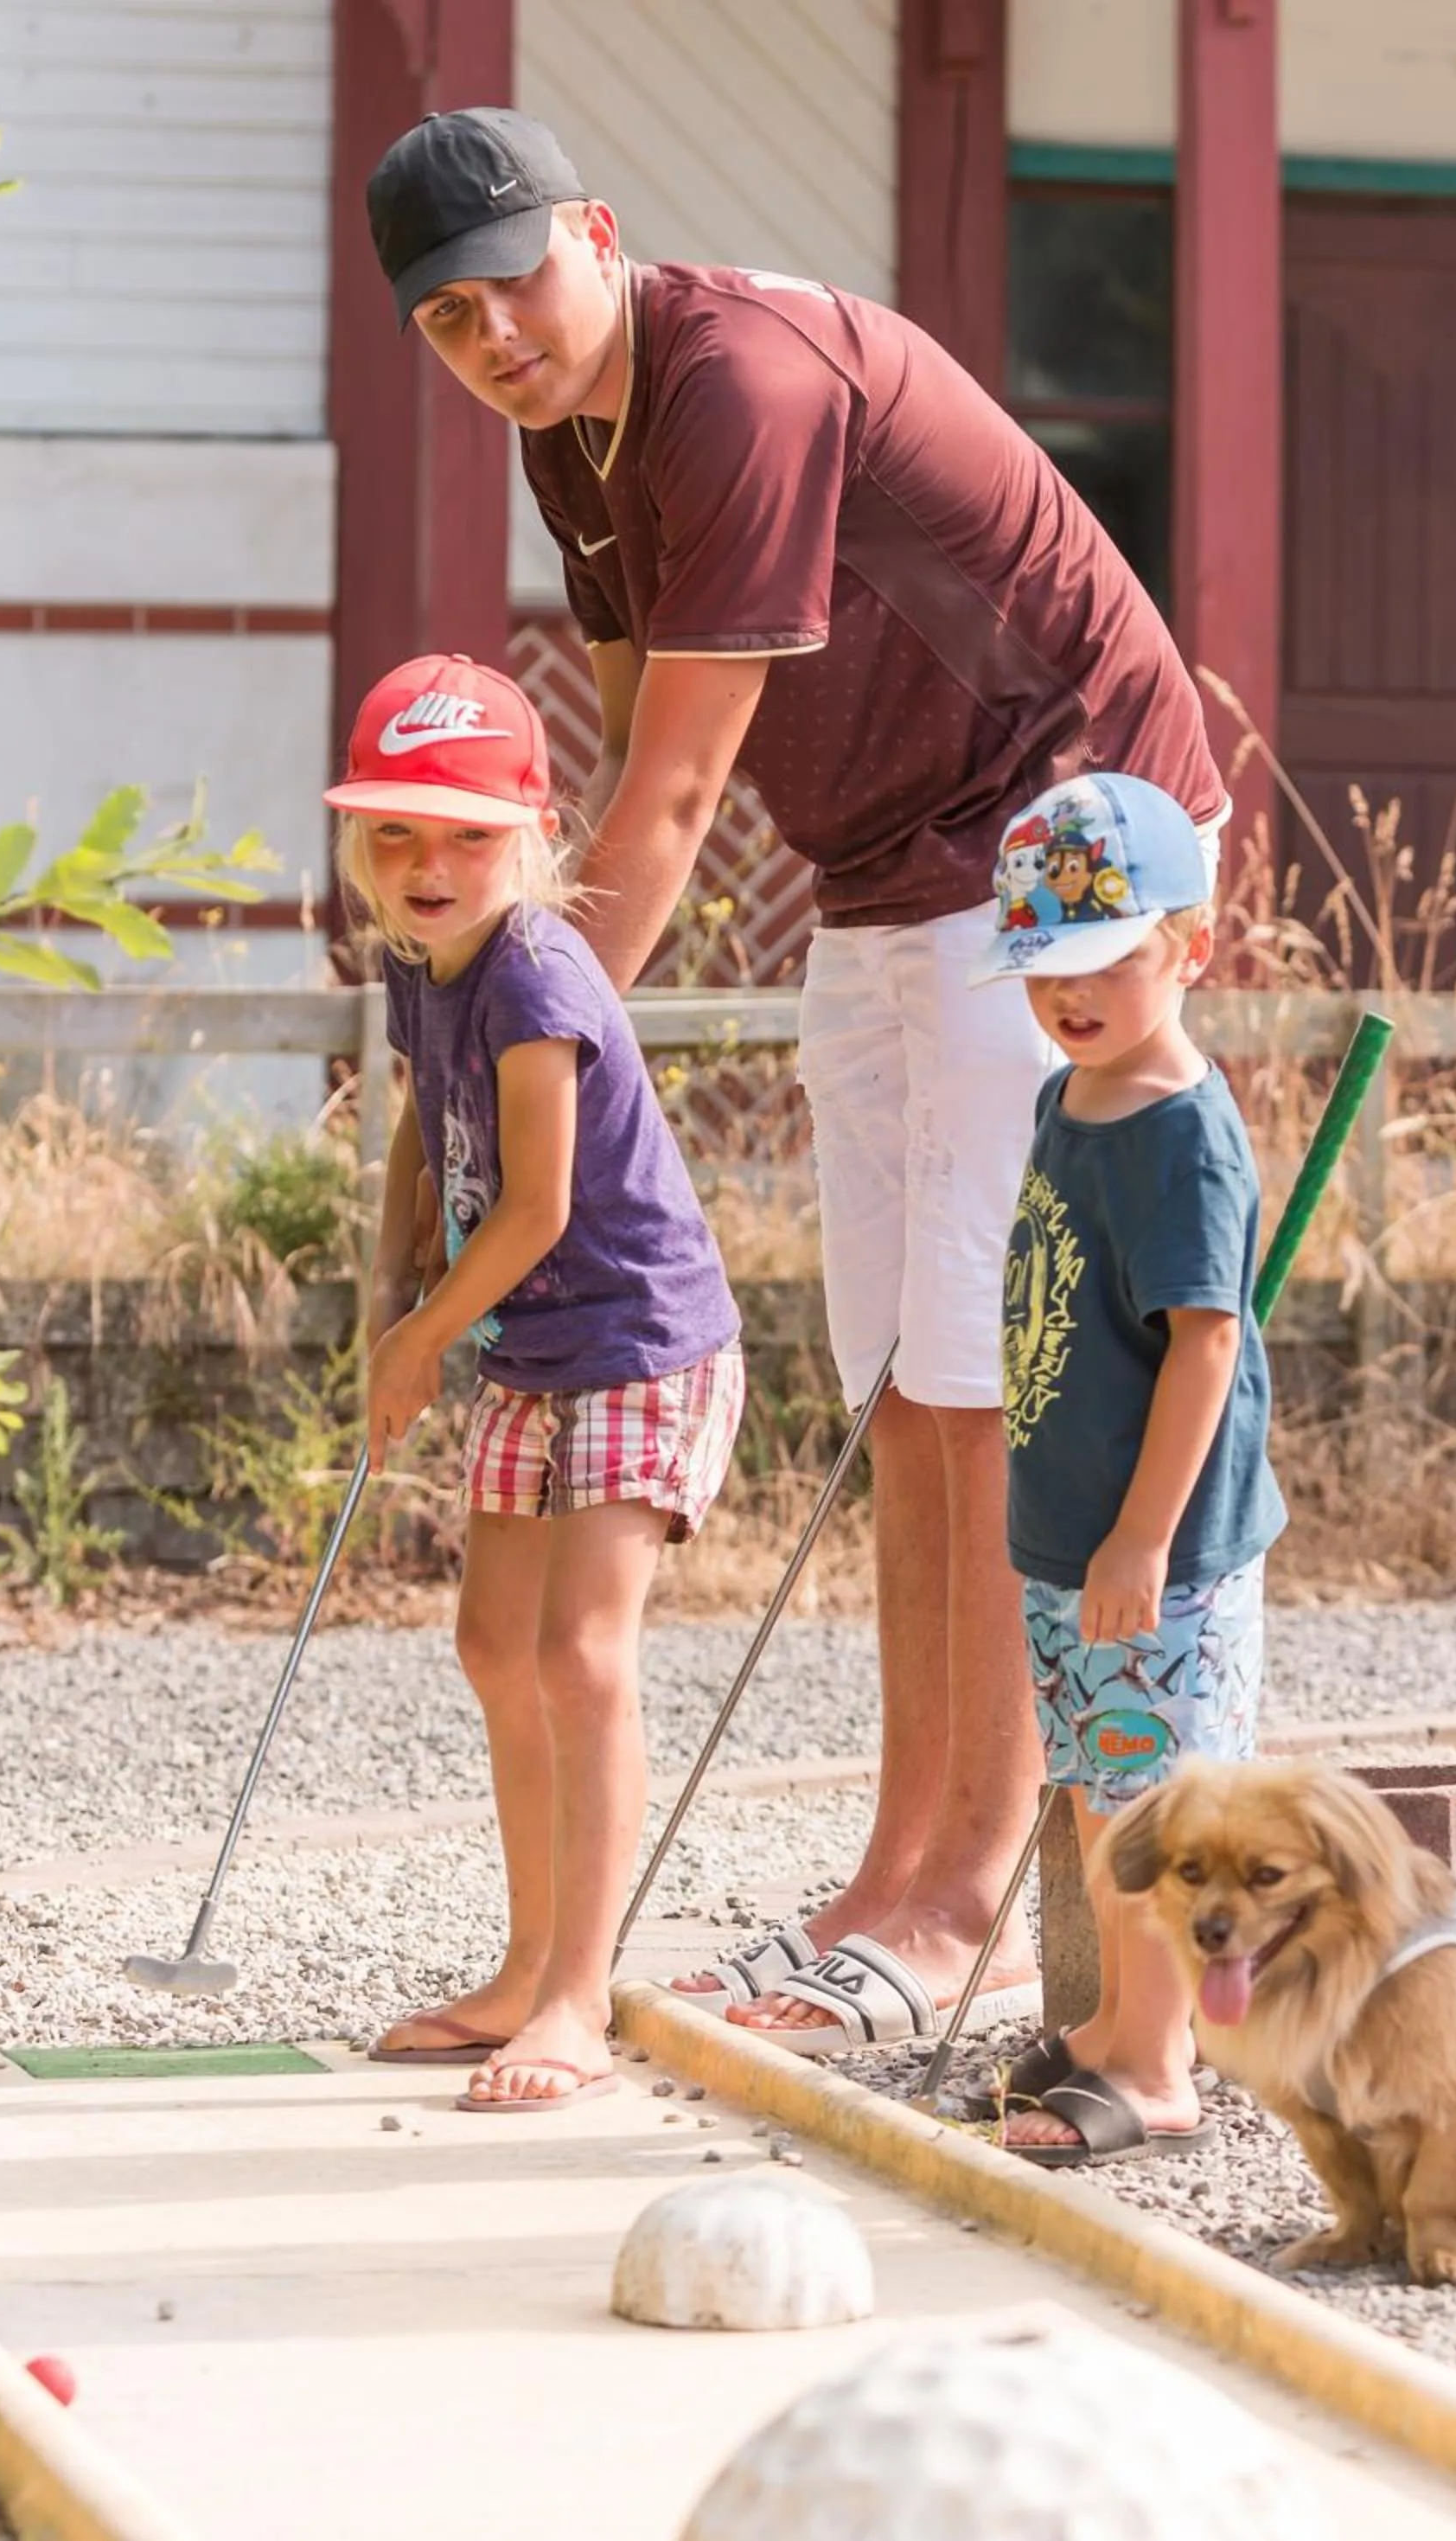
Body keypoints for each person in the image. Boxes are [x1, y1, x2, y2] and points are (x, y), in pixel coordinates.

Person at [362, 105, 1228, 2044]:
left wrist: (534, 1053)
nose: (494, 335)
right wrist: (514, 1005)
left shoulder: (733, 381)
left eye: (514, 285)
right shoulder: (562, 435)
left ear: (595, 231)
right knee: (898, 1376)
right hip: (888, 860)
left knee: (994, 1374)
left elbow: (672, 800)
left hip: (1064, 850)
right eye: (448, 323)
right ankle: (892, 1871)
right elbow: (609, 766)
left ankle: (972, 1903)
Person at [340, 653, 744, 2111]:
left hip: (636, 1338)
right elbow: (418, 1138)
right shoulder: (416, 963)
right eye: (395, 832)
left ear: (530, 835)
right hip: (528, 1345)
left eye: (462, 833)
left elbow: (537, 1210)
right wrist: (391, 1295)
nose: (428, 863)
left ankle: (580, 1994)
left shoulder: (533, 971)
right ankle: (522, 1966)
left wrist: (424, 1336)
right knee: (494, 1650)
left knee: (581, 1656)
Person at [969, 771, 1285, 2159]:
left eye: (1107, 958)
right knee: (1100, 1782)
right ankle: (1110, 2026)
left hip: (1153, 1555)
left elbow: (1204, 1348)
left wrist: (1143, 1539)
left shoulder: (1178, 1139)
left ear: (1192, 946)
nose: (1072, 994)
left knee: (1155, 1797)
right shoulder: (1070, 1097)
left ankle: (1159, 2066)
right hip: (1074, 1532)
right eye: (1045, 967)